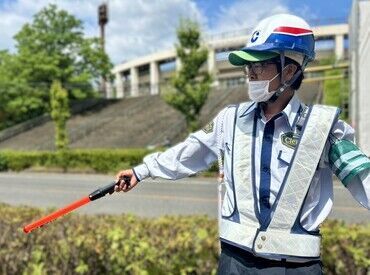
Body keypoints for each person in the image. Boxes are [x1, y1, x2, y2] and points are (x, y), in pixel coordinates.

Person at [114, 14, 370, 275]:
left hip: (295, 267)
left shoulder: (323, 127)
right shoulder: (230, 120)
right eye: (249, 66)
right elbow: (191, 151)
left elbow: (364, 178)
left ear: (290, 70)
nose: (251, 73)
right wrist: (141, 171)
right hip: (233, 262)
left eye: (260, 64)